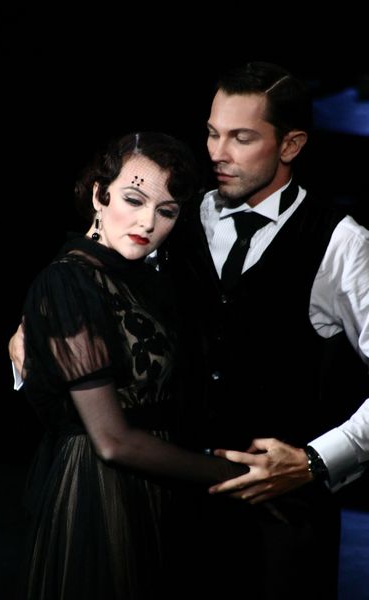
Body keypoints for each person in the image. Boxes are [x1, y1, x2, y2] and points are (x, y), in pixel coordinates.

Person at [156, 61, 369, 599]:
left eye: (241, 137)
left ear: (290, 144)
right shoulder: (174, 220)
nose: (217, 152)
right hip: (175, 514)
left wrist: (318, 460)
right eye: (212, 133)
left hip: (283, 529)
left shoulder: (342, 243)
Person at [12, 131, 249, 600]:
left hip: (161, 484)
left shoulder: (143, 276)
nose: (147, 222)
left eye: (167, 212)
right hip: (101, 491)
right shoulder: (69, 281)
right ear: (98, 196)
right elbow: (111, 441)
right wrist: (232, 477)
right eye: (133, 200)